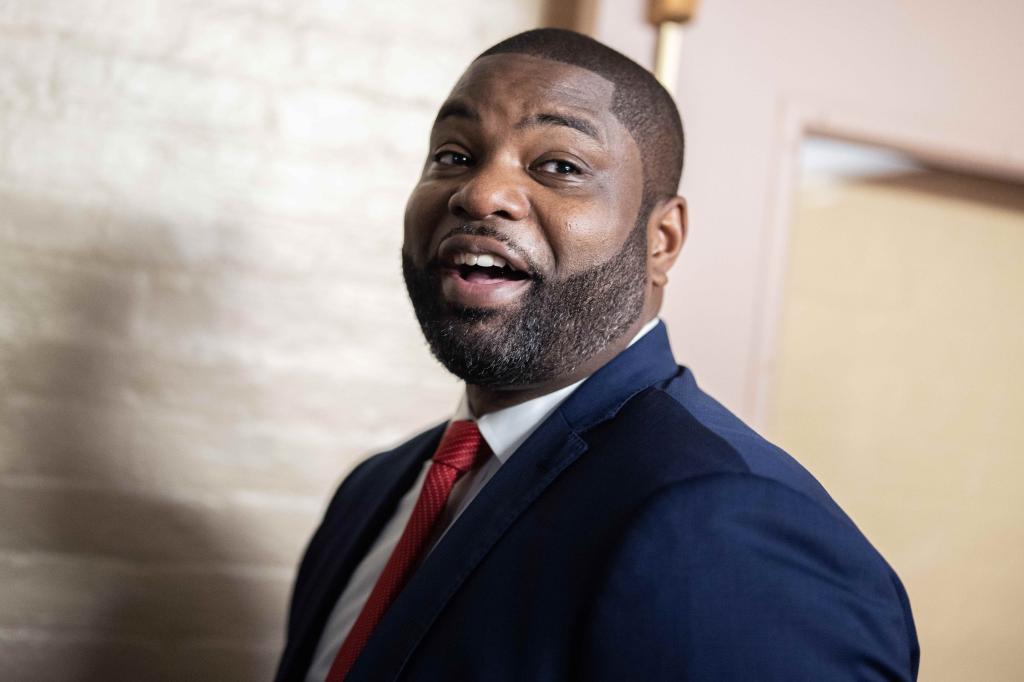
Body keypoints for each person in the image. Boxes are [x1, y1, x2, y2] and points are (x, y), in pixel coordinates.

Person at [274, 28, 919, 682]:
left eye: (559, 166)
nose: (480, 193)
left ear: (661, 241)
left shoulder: (724, 522)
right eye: (453, 155)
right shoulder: (376, 490)